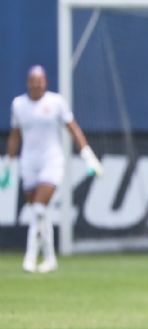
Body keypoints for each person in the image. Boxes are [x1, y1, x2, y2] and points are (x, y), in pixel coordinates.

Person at [0, 65, 104, 273]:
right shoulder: (19, 105)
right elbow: (15, 136)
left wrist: (88, 156)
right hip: (29, 161)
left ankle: (30, 257)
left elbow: (73, 129)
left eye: (41, 80)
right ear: (28, 83)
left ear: (45, 82)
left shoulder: (56, 102)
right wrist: (8, 165)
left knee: (39, 208)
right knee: (40, 212)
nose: (37, 84)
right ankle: (49, 258)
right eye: (33, 80)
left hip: (52, 160)